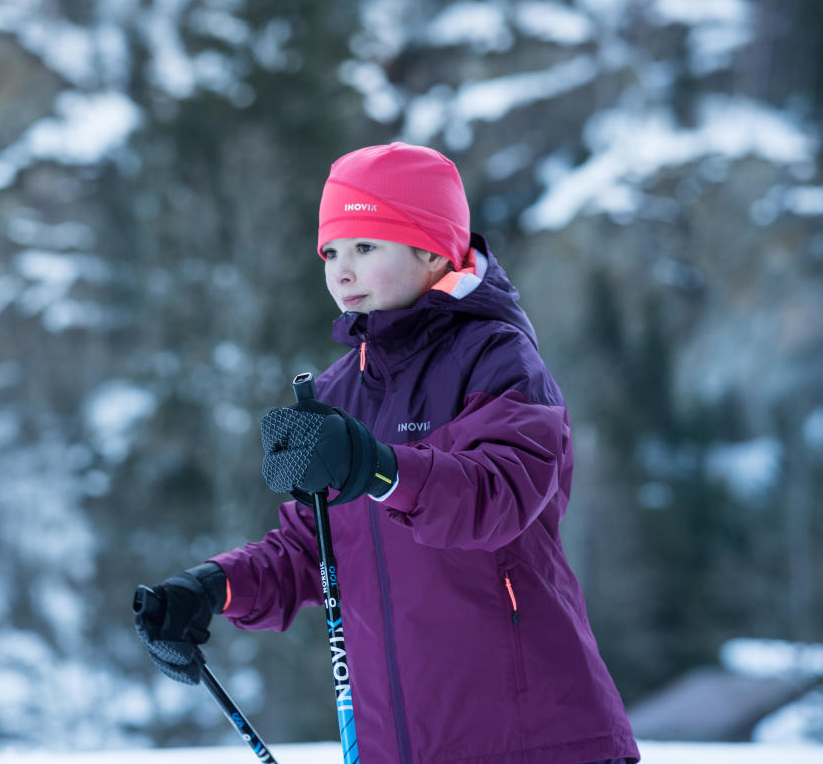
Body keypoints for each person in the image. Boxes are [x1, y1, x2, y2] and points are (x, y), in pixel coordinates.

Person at [134, 143, 640, 763]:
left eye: (366, 248)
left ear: (431, 250)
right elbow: (311, 549)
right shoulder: (337, 391)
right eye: (331, 253)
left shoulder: (497, 357)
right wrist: (211, 588)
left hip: (535, 743)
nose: (341, 272)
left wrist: (375, 467)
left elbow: (496, 497)